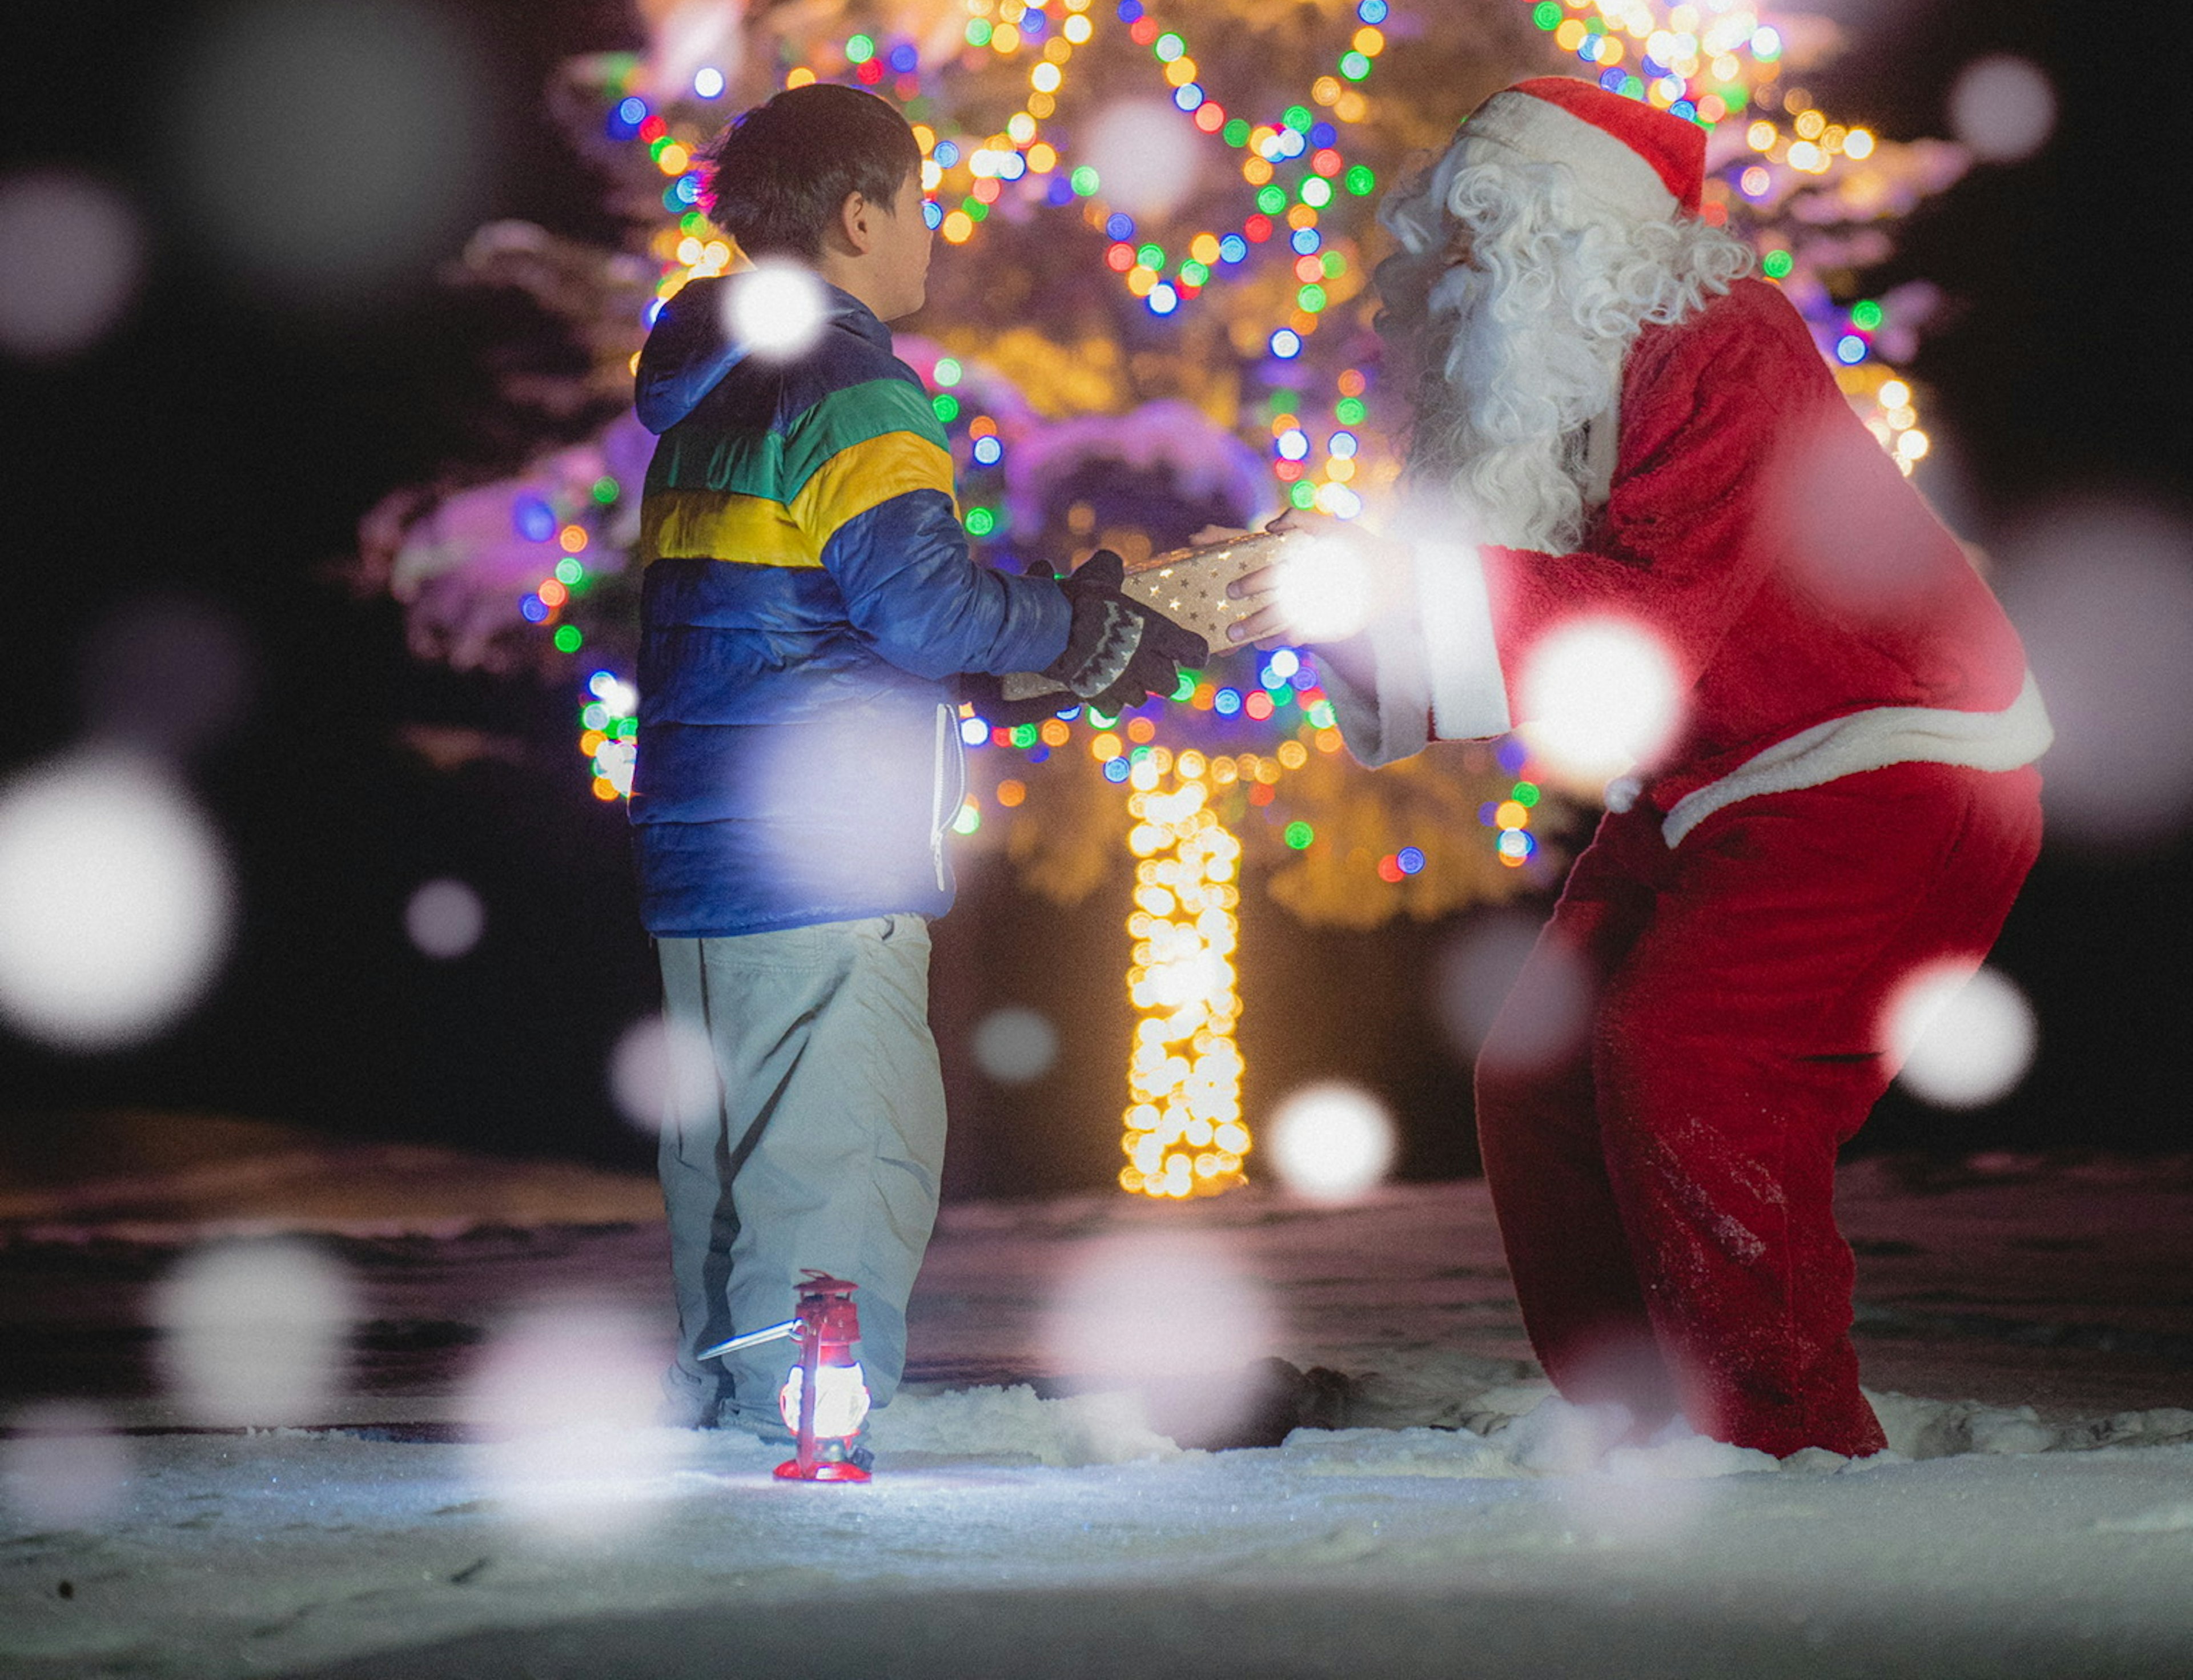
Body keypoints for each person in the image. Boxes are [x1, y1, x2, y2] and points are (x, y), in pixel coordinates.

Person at [1230, 75, 2050, 1463]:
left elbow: (1651, 619)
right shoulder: (1549, 386)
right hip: (1717, 777)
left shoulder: (1724, 340)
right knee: (1535, 1071)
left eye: (1497, 238)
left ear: (1581, 240)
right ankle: (1640, 1423)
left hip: (1898, 758)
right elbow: (1514, 612)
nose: (1465, 277)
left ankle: (1783, 1450)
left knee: (1695, 1065)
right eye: (1455, 242)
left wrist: (1399, 581)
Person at [630, 81, 1201, 1458]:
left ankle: (724, 1407)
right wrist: (1077, 628)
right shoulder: (848, 380)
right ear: (858, 213)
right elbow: (918, 608)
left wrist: (1043, 654)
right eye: (921, 203)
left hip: (701, 852)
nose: (933, 234)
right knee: (848, 1151)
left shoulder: (706, 393)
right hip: (824, 852)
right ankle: (811, 1422)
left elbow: (807, 619)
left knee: (725, 1161)